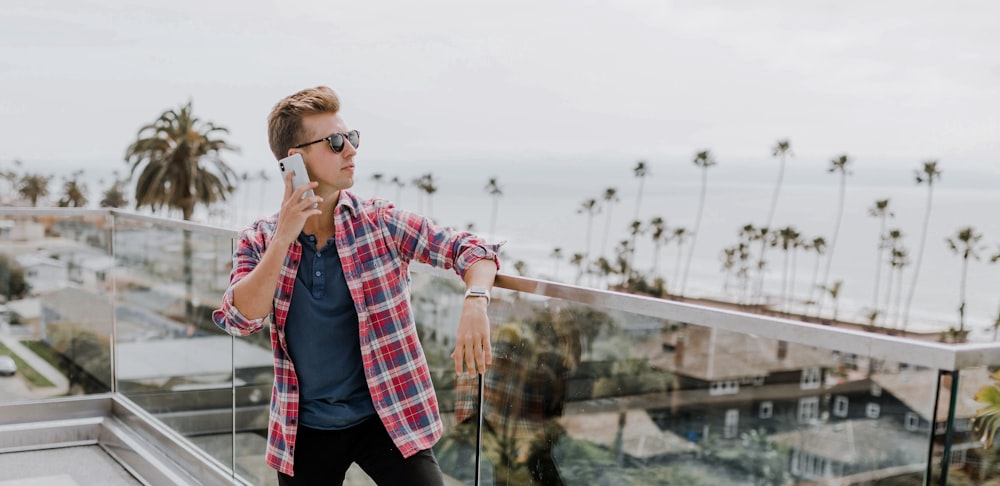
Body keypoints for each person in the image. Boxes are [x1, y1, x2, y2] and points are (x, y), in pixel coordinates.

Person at [212, 85, 501, 485]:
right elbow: (240, 317)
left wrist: (475, 301)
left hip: (386, 416)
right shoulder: (259, 239)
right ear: (294, 160)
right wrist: (283, 238)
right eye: (334, 142)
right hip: (305, 427)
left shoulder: (379, 222)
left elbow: (473, 249)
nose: (351, 150)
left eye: (352, 138)